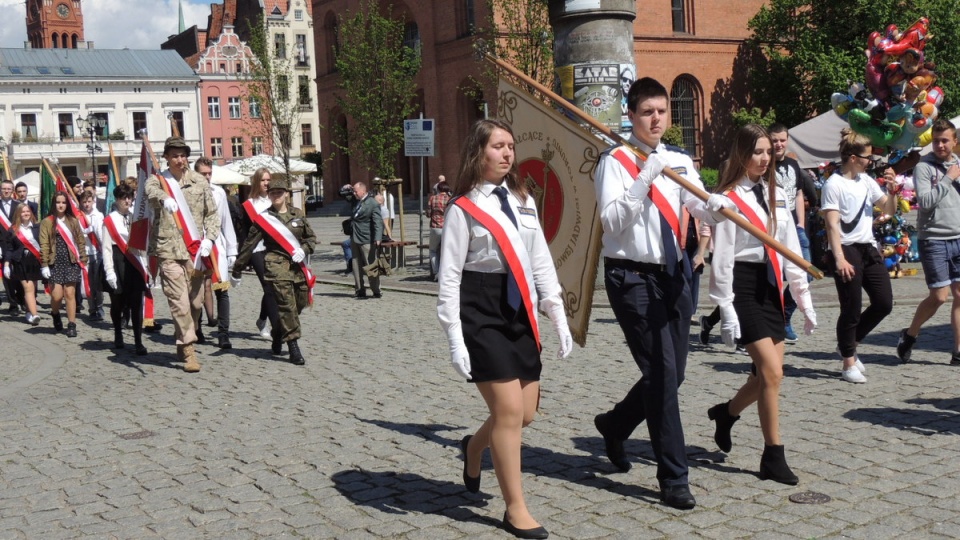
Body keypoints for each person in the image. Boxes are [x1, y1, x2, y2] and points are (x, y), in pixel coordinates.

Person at [592, 77, 733, 510]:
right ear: (631, 116)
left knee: (673, 375)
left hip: (673, 274)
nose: (656, 119)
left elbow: (696, 207)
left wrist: (716, 206)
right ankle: (674, 476)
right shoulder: (615, 160)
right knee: (661, 374)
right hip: (631, 277)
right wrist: (644, 177)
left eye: (662, 111)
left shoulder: (679, 160)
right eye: (647, 112)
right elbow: (612, 221)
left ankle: (615, 426)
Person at [438, 119, 573, 539]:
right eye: (498, 146)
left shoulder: (524, 199)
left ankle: (473, 447)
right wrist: (456, 339)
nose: (507, 153)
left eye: (511, 146)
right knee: (509, 412)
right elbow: (449, 280)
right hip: (481, 311)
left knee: (524, 412)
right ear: (478, 153)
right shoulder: (462, 209)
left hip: (520, 310)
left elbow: (539, 263)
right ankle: (515, 509)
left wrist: (557, 313)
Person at [706, 124, 818, 486]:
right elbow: (722, 257)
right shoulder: (727, 197)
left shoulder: (776, 193)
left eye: (768, 151)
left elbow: (790, 247)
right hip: (742, 284)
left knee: (764, 378)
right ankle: (773, 456)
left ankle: (726, 413)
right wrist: (724, 306)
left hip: (771, 283)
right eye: (757, 152)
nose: (764, 158)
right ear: (741, 154)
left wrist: (801, 294)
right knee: (771, 373)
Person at [822, 128, 897, 383]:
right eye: (867, 157)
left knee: (884, 302)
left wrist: (893, 191)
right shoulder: (834, 184)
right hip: (846, 248)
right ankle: (847, 362)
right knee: (851, 307)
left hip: (868, 247)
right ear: (853, 157)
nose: (871, 161)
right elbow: (832, 225)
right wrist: (840, 258)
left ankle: (849, 343)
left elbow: (887, 207)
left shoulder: (866, 181)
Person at [145, 136, 219, 373]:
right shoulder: (158, 181)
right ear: (166, 157)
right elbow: (150, 192)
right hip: (168, 251)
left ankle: (183, 335)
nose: (180, 159)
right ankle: (189, 350)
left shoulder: (200, 182)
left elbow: (212, 214)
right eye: (175, 155)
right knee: (179, 303)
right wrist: (164, 198)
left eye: (183, 155)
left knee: (195, 303)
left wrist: (210, 239)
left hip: (195, 252)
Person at [233, 175, 316, 365]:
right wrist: (237, 269)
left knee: (300, 304)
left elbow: (311, 238)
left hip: (298, 268)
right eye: (273, 193)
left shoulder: (298, 214)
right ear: (269, 195)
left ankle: (278, 333)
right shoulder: (264, 219)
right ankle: (293, 347)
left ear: (286, 194)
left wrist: (303, 250)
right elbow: (249, 245)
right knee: (286, 306)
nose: (277, 195)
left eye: (280, 192)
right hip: (276, 267)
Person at [898, 119, 960, 364]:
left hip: (959, 235)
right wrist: (948, 179)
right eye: (936, 141)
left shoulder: (958, 164)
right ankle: (910, 334)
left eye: (945, 140)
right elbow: (924, 201)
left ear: (955, 141)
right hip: (934, 237)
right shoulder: (924, 167)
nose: (940, 145)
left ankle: (957, 351)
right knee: (939, 296)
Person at [770, 123, 810, 342]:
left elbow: (798, 195)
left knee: (807, 272)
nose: (779, 144)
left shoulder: (793, 164)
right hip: (773, 230)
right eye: (774, 140)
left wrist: (801, 225)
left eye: (782, 140)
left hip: (795, 229)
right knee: (771, 278)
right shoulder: (764, 165)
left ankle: (784, 317)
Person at [195, 157, 239, 349]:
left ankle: (223, 333)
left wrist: (231, 250)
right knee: (195, 289)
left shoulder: (219, 193)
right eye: (203, 173)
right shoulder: (187, 193)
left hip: (216, 246)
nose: (206, 177)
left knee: (222, 289)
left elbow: (226, 222)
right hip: (196, 246)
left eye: (209, 173)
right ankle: (196, 329)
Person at [101, 183, 148, 355]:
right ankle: (118, 334)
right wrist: (109, 271)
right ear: (117, 199)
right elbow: (106, 248)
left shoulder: (136, 217)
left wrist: (147, 267)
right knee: (117, 303)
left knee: (136, 304)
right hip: (118, 261)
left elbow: (143, 244)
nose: (127, 201)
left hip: (135, 263)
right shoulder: (109, 220)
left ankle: (138, 340)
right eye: (123, 198)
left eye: (129, 197)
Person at [240, 167, 281, 345]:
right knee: (268, 287)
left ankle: (262, 319)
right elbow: (244, 232)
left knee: (273, 287)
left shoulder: (275, 201)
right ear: (256, 182)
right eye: (263, 180)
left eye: (268, 180)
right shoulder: (250, 204)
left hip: (275, 249)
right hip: (257, 250)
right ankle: (273, 326)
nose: (266, 183)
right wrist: (243, 257)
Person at [39, 191, 87, 337]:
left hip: (71, 261)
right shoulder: (47, 222)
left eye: (64, 202)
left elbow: (80, 241)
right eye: (58, 202)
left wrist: (83, 259)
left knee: (70, 293)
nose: (61, 205)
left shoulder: (73, 221)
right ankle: (55, 313)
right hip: (55, 262)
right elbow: (44, 244)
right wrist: (44, 264)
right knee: (57, 296)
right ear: (54, 203)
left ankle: (72, 324)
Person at [1, 203, 43, 325]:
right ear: (19, 214)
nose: (26, 213)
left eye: (28, 211)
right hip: (20, 261)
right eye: (23, 212)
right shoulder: (13, 229)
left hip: (34, 261)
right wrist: (7, 265)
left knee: (32, 288)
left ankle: (29, 312)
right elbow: (9, 249)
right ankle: (35, 315)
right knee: (28, 287)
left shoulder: (37, 227)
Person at [350, 181, 383, 299]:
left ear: (363, 191)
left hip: (366, 238)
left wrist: (378, 237)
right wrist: (345, 188)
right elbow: (343, 194)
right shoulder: (355, 201)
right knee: (356, 265)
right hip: (354, 237)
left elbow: (378, 221)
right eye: (353, 191)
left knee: (370, 266)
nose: (354, 193)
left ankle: (376, 290)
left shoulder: (372, 203)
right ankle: (359, 290)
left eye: (356, 191)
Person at [79, 191, 105, 320]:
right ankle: (92, 309)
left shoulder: (98, 215)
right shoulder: (79, 216)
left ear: (93, 201)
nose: (87, 204)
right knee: (88, 284)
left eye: (89, 201)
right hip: (84, 253)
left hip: (97, 251)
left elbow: (101, 235)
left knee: (97, 283)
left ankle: (99, 306)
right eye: (84, 202)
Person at [1, 179, 26, 314]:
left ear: (12, 190)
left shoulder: (19, 205)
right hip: (2, 245)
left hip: (17, 244)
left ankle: (22, 300)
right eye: (4, 188)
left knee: (19, 273)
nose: (6, 191)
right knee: (7, 276)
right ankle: (13, 304)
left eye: (9, 189)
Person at [427, 176, 451, 281]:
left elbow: (428, 213)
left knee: (432, 250)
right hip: (447, 228)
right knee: (447, 251)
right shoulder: (450, 199)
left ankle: (436, 273)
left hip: (435, 227)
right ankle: (447, 272)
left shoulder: (433, 198)